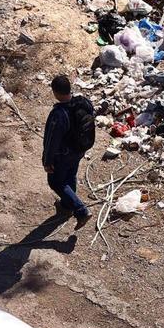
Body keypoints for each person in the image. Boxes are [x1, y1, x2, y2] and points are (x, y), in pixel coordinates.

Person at [42, 75, 95, 229]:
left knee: (56, 182)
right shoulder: (83, 103)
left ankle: (81, 210)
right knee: (70, 176)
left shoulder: (58, 114)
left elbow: (51, 140)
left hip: (62, 155)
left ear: (55, 92)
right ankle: (67, 205)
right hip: (79, 150)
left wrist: (47, 161)